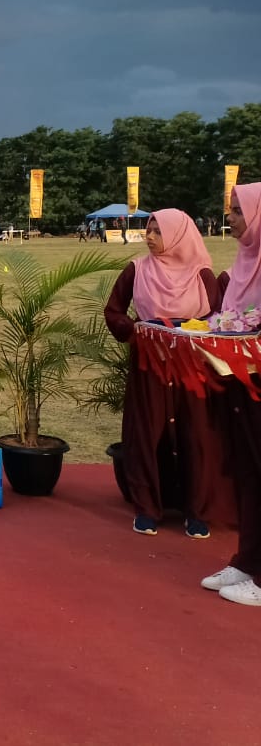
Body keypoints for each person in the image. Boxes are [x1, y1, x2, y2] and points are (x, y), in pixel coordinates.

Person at [104, 209, 228, 537]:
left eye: (158, 231)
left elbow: (217, 318)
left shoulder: (202, 275)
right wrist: (134, 330)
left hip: (192, 367)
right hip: (150, 364)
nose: (149, 236)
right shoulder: (137, 270)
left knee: (196, 433)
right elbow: (113, 310)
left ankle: (197, 510)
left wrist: (194, 333)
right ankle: (147, 508)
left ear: (177, 235)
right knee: (147, 430)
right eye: (149, 229)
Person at [202, 183, 261, 606]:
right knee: (249, 473)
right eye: (232, 209)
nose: (231, 218)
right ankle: (248, 560)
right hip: (243, 383)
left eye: (239, 210)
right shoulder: (245, 262)